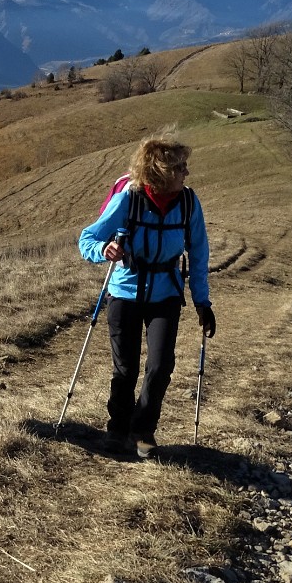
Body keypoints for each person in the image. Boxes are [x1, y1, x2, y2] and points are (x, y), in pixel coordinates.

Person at [78, 131, 215, 458]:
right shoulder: (129, 198)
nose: (187, 173)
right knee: (126, 368)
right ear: (163, 171)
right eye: (181, 167)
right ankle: (117, 429)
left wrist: (203, 302)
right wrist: (102, 249)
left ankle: (143, 430)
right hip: (124, 291)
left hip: (166, 293)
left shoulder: (188, 202)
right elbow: (87, 238)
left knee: (160, 365)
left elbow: (199, 253)